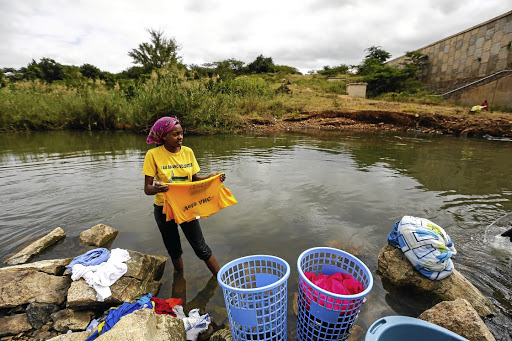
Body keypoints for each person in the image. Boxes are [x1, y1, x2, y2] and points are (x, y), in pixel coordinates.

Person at [142, 116, 225, 276]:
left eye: (181, 133)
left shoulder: (188, 152)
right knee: (174, 248)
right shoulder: (153, 155)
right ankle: (179, 278)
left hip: (187, 207)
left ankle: (222, 280)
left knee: (201, 247)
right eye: (175, 134)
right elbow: (147, 189)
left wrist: (211, 177)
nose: (180, 137)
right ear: (164, 136)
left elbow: (195, 180)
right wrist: (159, 189)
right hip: (164, 209)